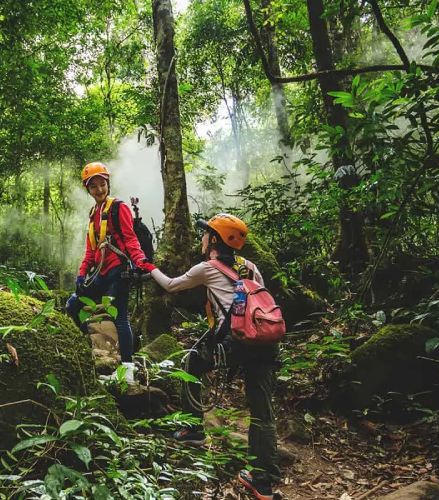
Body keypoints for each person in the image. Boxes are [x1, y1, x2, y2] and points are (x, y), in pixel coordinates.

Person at [146, 213, 281, 500]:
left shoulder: (207, 268)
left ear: (215, 239)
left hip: (236, 343)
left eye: (206, 233)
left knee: (191, 362)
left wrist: (150, 268)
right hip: (264, 342)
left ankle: (193, 428)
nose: (202, 238)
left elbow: (170, 285)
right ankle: (263, 482)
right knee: (262, 411)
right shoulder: (251, 267)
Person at [66, 162, 154, 383]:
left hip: (119, 270)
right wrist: (81, 275)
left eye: (102, 184)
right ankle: (88, 350)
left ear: (108, 184)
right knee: (73, 305)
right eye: (93, 186)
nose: (99, 189)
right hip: (101, 273)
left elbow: (131, 239)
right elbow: (91, 251)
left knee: (120, 316)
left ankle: (127, 370)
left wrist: (141, 261)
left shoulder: (118, 208)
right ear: (88, 190)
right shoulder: (93, 214)